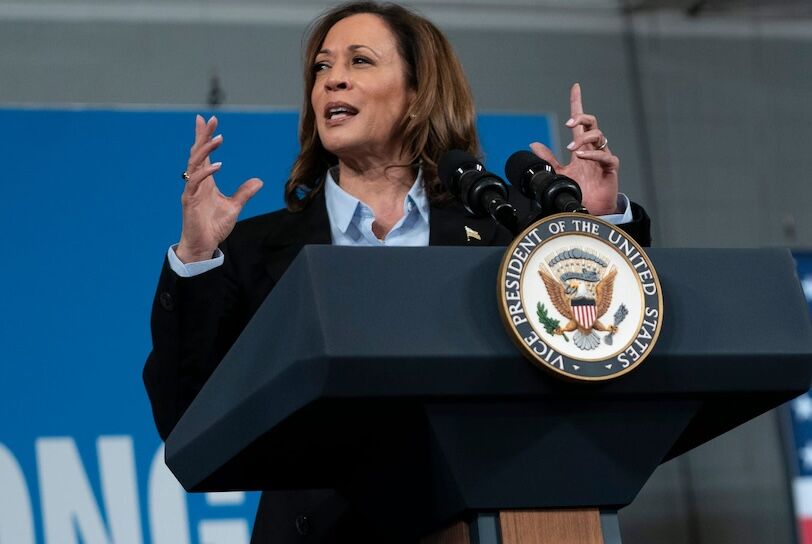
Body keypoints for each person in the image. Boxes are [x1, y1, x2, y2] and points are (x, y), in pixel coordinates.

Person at [143, 2, 651, 542]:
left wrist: (595, 226)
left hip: (486, 522)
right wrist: (195, 259)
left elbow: (607, 350)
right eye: (321, 67)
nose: (332, 80)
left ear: (418, 91)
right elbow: (186, 419)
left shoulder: (507, 232)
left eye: (360, 61)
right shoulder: (250, 249)